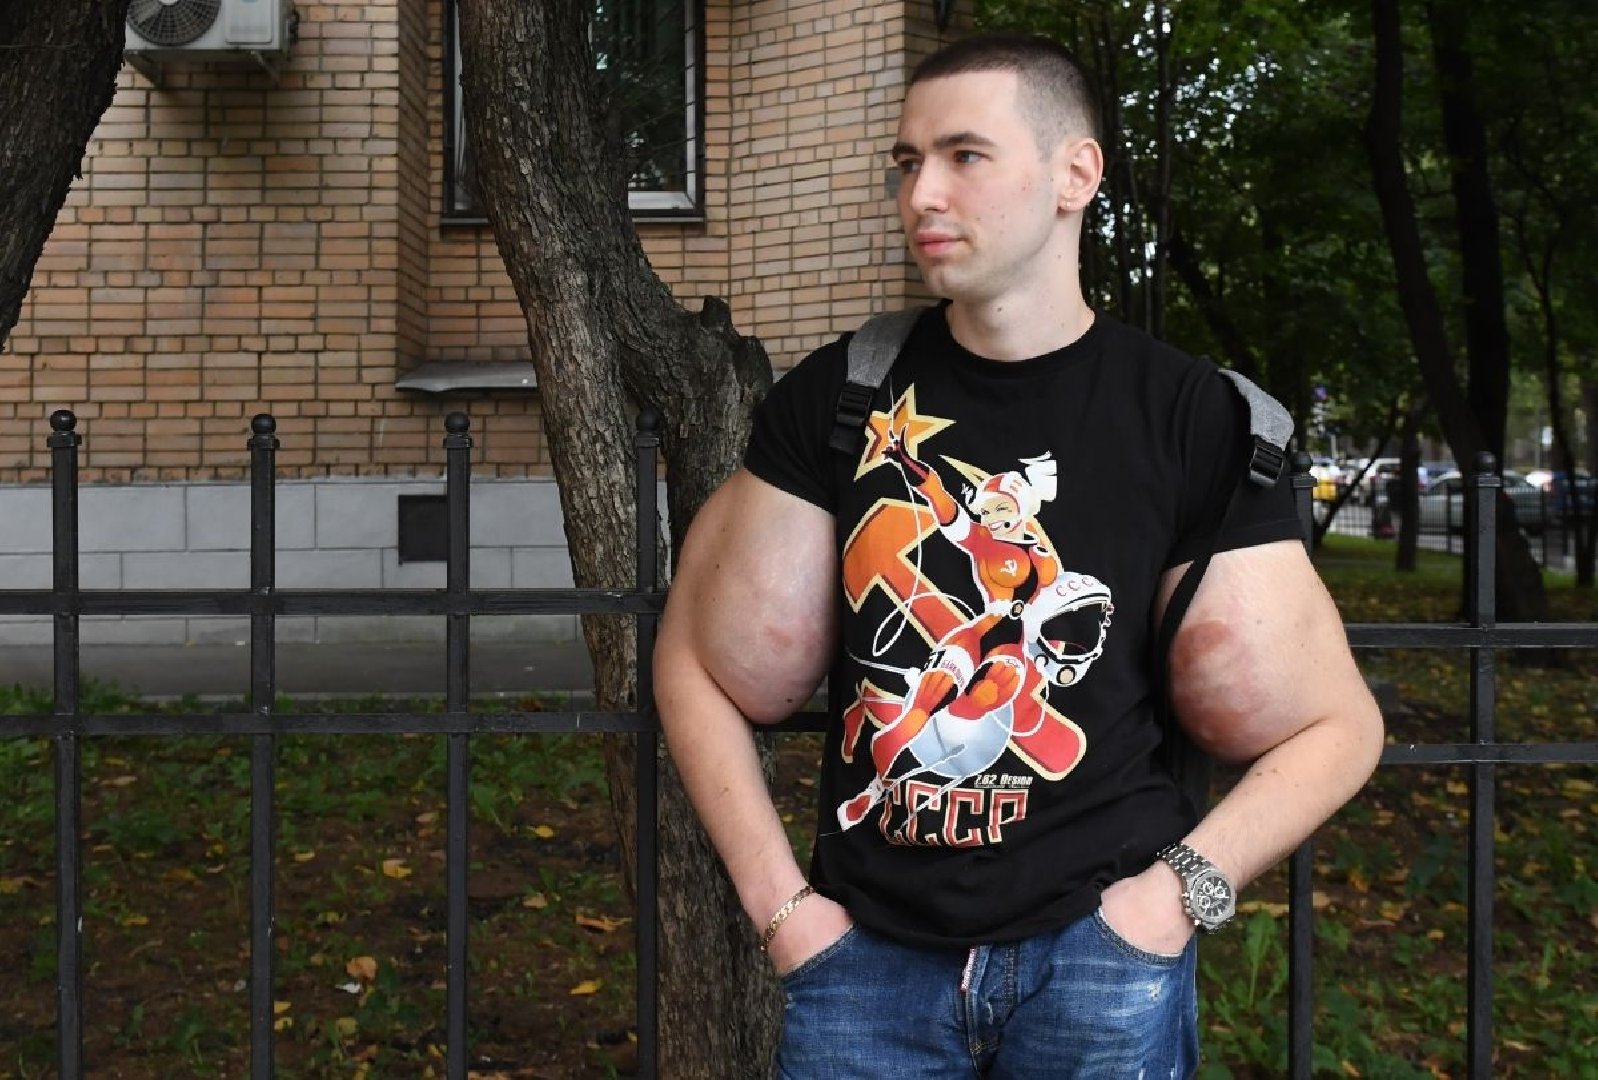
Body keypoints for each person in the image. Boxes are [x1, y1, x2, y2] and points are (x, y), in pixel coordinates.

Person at [654, 32, 1384, 1078]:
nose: (920, 194)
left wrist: (1169, 902)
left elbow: (1338, 725)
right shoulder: (843, 397)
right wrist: (785, 915)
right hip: (864, 970)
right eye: (907, 162)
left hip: (1098, 963)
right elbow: (693, 659)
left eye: (964, 155)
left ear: (1074, 174)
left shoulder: (1189, 416)